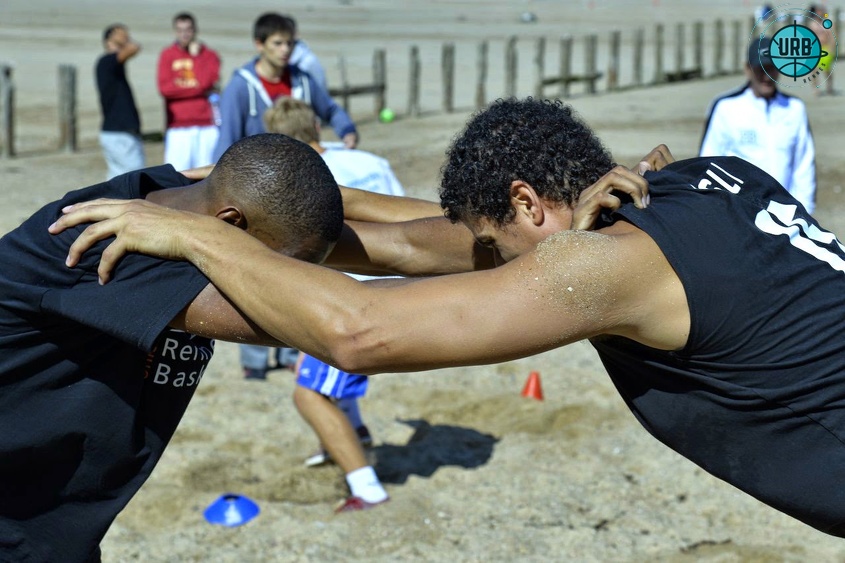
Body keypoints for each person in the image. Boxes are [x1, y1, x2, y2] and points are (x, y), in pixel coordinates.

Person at [56, 96, 845, 538]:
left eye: (498, 244)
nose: (500, 263)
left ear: (529, 204)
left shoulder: (600, 264)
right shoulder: (708, 177)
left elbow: (357, 330)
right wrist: (211, 187)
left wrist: (195, 235)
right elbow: (399, 240)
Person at [0, 133, 343, 561]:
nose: (286, 278)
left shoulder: (177, 197)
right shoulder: (114, 250)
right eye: (282, 266)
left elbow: (405, 249)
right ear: (231, 224)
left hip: (49, 527)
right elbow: (347, 332)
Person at [262, 97, 402, 511]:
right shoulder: (369, 160)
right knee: (328, 380)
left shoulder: (308, 180)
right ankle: (349, 437)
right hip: (395, 287)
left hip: (346, 299)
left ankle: (367, 489)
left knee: (309, 394)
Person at [211, 12, 358, 165]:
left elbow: (330, 110)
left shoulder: (303, 81)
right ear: (259, 44)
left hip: (303, 170)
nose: (285, 49)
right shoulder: (240, 86)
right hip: (258, 175)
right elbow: (227, 139)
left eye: (290, 43)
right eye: (278, 43)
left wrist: (348, 132)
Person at [700, 36, 817, 213]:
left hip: (784, 216)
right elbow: (707, 162)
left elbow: (804, 166)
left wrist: (803, 212)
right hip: (738, 213)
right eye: (760, 69)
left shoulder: (794, 109)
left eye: (771, 68)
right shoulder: (726, 107)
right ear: (747, 69)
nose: (766, 76)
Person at [157, 12, 222, 170]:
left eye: (188, 29)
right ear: (175, 31)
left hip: (206, 124)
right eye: (180, 30)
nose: (184, 34)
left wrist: (196, 57)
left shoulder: (209, 55)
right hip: (178, 126)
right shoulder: (168, 55)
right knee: (176, 174)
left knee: (207, 174)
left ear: (195, 30)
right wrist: (199, 89)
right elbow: (165, 89)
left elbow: (207, 81)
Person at [96, 23, 145, 180]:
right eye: (122, 34)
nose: (126, 36)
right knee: (134, 180)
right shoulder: (107, 61)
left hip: (118, 134)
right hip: (119, 134)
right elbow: (134, 48)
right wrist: (125, 41)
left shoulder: (113, 65)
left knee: (118, 182)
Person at [806, 4, 836, 96]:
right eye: (818, 11)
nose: (819, 13)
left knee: (827, 70)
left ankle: (829, 87)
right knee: (814, 70)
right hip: (815, 48)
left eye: (821, 11)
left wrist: (832, 48)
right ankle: (815, 88)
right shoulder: (812, 24)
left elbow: (832, 36)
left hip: (826, 48)